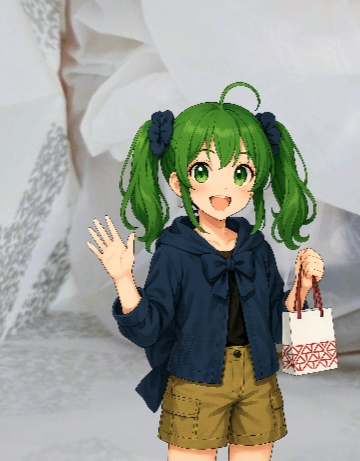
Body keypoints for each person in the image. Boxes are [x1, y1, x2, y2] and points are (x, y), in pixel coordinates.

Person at [86, 82, 326, 461]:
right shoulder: (175, 251)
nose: (222, 188)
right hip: (196, 379)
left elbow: (275, 323)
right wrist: (123, 279)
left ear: (256, 181)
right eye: (203, 170)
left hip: (258, 376)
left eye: (240, 172)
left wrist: (302, 284)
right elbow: (149, 328)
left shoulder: (255, 247)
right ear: (177, 180)